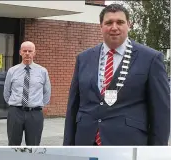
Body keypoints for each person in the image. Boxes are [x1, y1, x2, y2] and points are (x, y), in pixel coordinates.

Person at [63, 3, 170, 145]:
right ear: (100, 26)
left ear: (129, 25)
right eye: (108, 22)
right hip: (85, 142)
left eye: (120, 22)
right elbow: (73, 106)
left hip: (127, 145)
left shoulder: (150, 58)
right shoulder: (84, 58)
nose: (114, 27)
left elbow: (161, 113)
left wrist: (155, 153)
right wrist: (68, 147)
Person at [3, 41, 51, 146]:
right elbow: (6, 92)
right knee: (13, 144)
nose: (27, 53)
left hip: (35, 113)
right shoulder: (12, 71)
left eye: (30, 51)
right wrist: (14, 104)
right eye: (25, 51)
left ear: (34, 53)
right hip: (15, 112)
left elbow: (47, 92)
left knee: (33, 145)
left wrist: (38, 104)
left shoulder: (42, 71)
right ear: (20, 52)